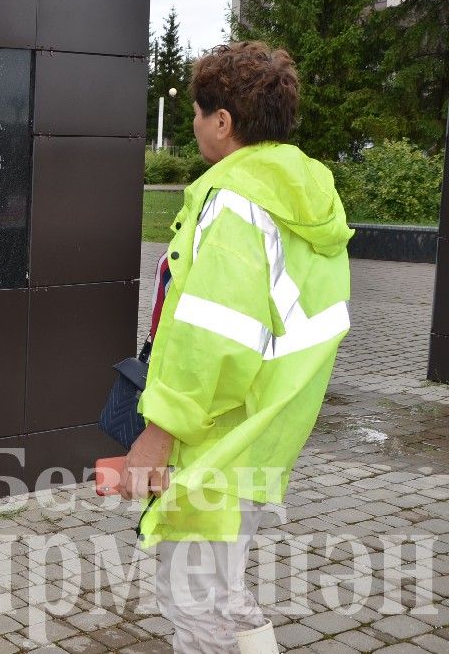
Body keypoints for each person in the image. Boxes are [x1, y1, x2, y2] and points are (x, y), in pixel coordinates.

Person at [117, 41, 352, 654]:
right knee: (219, 590)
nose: (193, 124)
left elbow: (212, 336)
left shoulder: (237, 204)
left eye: (198, 112)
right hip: (264, 423)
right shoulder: (297, 194)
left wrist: (159, 432)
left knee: (195, 598)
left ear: (223, 122)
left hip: (218, 432)